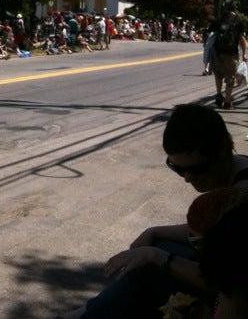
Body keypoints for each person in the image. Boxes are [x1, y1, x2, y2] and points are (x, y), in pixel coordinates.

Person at [66, 104, 248, 318]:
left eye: (196, 169)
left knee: (148, 268)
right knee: (155, 248)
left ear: (221, 151)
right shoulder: (235, 172)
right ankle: (90, 310)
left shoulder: (240, 203)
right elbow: (202, 233)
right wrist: (155, 231)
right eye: (177, 168)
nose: (188, 178)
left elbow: (227, 284)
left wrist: (159, 257)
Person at [210, 0, 248, 109]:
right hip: (232, 53)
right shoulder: (238, 20)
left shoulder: (220, 19)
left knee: (218, 75)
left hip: (218, 53)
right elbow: (241, 39)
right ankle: (227, 102)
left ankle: (218, 94)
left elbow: (212, 35)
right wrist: (245, 54)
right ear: (234, 7)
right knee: (230, 77)